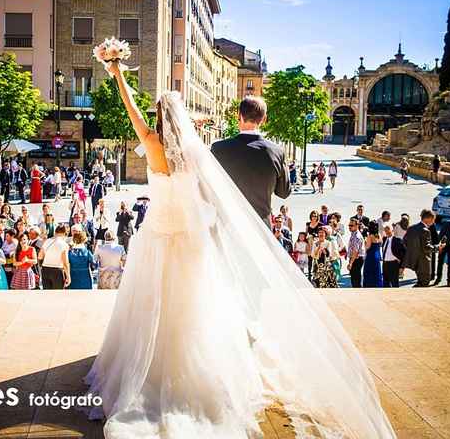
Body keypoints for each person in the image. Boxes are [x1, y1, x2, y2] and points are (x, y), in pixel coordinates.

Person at [82, 58, 395, 437]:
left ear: (159, 118)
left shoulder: (155, 143)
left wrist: (117, 74)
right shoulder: (199, 154)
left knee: (152, 300)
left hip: (159, 234)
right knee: (196, 303)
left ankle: (148, 365)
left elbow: (131, 108)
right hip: (194, 238)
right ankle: (205, 364)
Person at [211, 96, 290, 226]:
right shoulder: (277, 151)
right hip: (261, 227)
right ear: (264, 119)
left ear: (239, 115)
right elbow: (283, 192)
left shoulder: (218, 149)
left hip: (228, 226)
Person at [403, 209, 436, 287]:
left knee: (420, 283)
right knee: (424, 283)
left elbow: (405, 242)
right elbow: (426, 248)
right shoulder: (425, 230)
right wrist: (437, 248)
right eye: (433, 219)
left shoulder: (411, 228)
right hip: (424, 263)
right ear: (427, 219)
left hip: (414, 261)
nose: (433, 222)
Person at [39, 224, 70, 289]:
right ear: (65, 233)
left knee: (47, 295)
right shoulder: (64, 244)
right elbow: (65, 263)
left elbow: (40, 256)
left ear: (55, 232)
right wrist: (68, 276)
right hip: (57, 270)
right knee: (57, 295)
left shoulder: (47, 241)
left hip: (45, 269)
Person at [362, 222, 384, 288]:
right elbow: (381, 243)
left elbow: (367, 247)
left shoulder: (370, 236)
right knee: (377, 271)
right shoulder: (379, 235)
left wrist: (365, 241)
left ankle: (369, 285)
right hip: (377, 255)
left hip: (371, 256)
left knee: (369, 271)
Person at [347, 218, 365, 288]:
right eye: (349, 225)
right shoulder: (353, 234)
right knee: (354, 279)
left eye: (351, 225)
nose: (349, 227)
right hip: (355, 258)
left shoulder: (357, 236)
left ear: (357, 226)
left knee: (355, 280)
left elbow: (355, 251)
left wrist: (350, 263)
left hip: (356, 259)